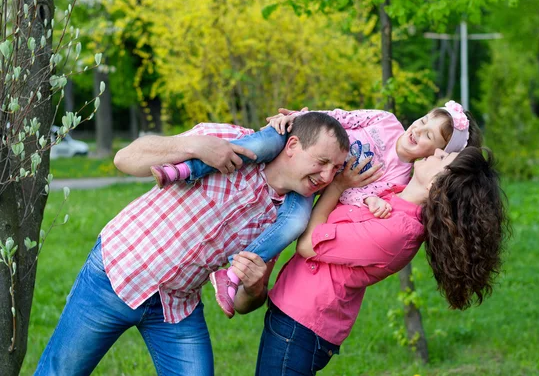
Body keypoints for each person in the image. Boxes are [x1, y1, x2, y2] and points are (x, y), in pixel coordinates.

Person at [34, 112, 356, 376]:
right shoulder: (229, 140)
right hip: (115, 274)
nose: (327, 177)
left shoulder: (289, 218)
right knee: (58, 372)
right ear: (293, 145)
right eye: (321, 161)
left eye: (335, 169)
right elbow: (125, 159)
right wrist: (194, 144)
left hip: (175, 306)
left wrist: (255, 285)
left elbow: (244, 305)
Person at [150, 101, 482, 318]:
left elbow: (354, 196)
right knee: (260, 144)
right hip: (307, 149)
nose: (417, 131)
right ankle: (185, 169)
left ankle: (233, 274)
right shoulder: (388, 121)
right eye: (422, 121)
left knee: (293, 224)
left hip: (315, 184)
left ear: (432, 154)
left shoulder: (401, 178)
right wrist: (301, 119)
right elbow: (342, 117)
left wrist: (370, 200)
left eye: (428, 136)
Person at [253, 146, 509, 375]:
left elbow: (309, 245)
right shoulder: (393, 193)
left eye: (443, 157)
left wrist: (338, 186)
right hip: (291, 311)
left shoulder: (398, 233)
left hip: (301, 327)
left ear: (435, 183)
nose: (436, 151)